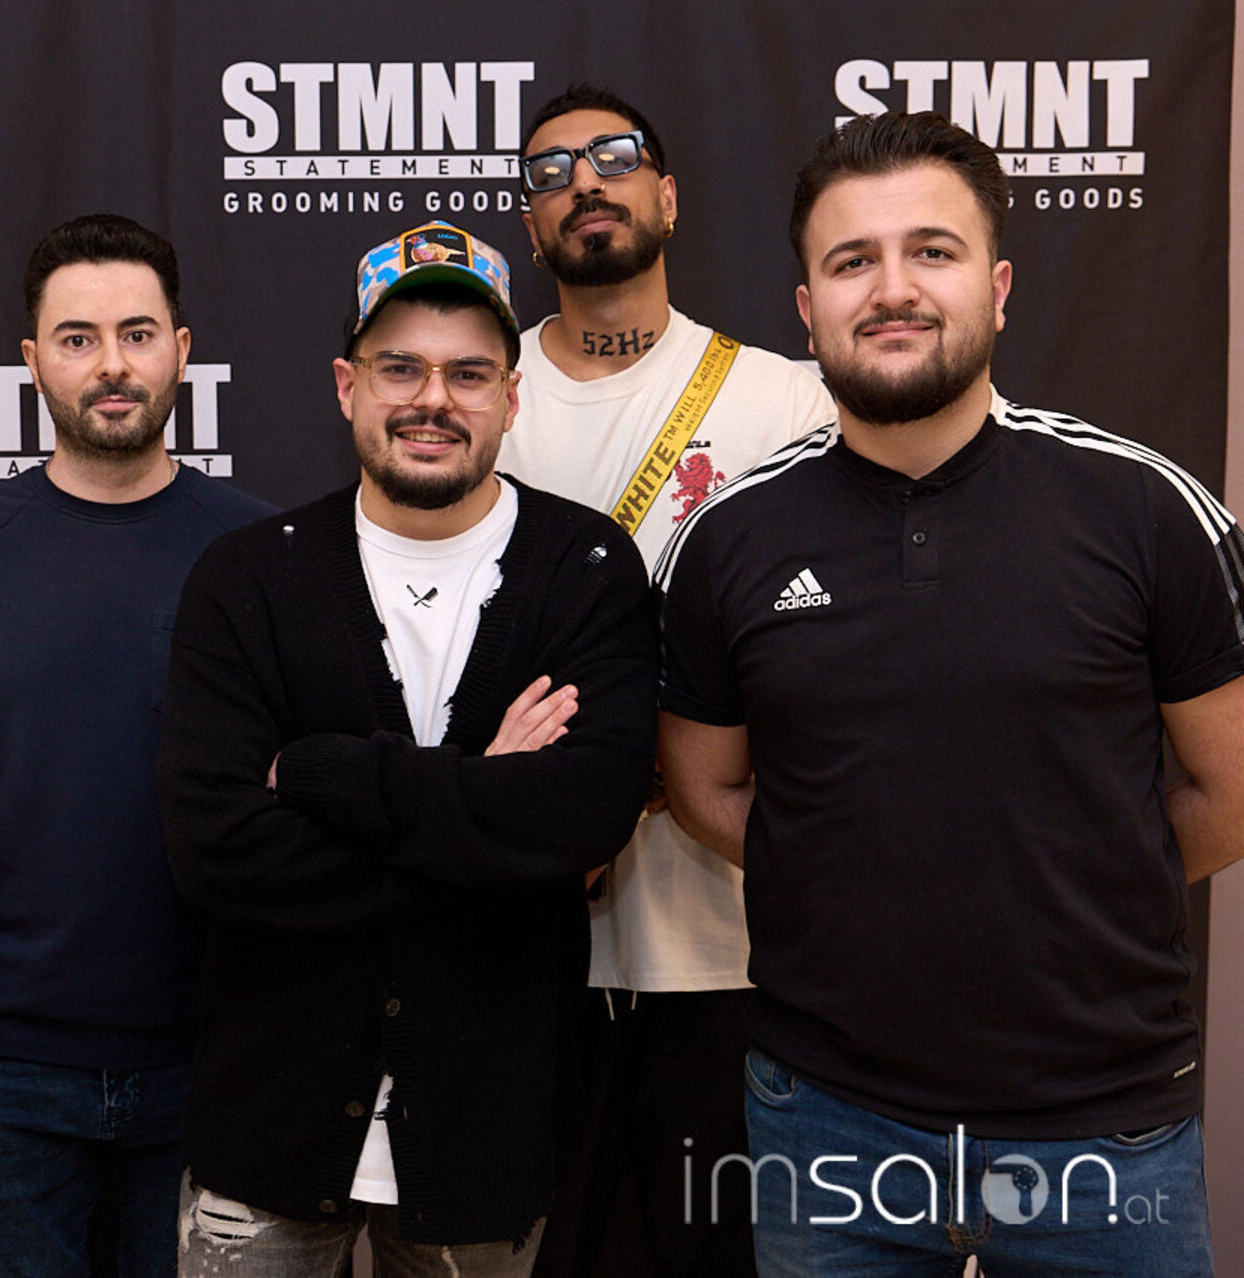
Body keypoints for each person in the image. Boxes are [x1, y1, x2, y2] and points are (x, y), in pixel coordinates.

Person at [657, 111, 1243, 1276]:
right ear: (807, 308)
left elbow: (1231, 788)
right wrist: (851, 872)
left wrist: (1081, 876)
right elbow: (701, 789)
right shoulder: (726, 540)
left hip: (1106, 1122)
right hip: (828, 1118)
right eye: (852, 261)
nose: (894, 289)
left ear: (999, 287)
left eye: (933, 250)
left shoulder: (1146, 510)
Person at [158, 220, 658, 1272]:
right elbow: (216, 850)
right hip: (269, 1124)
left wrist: (325, 774)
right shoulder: (248, 579)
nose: (433, 399)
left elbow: (582, 821)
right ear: (348, 385)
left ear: (511, 399)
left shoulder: (586, 569)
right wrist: (485, 809)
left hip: (486, 1137)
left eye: (468, 374)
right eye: (400, 368)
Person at [499, 84, 832, 1277]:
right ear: (531, 225)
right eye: (551, 172)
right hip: (526, 951)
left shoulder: (786, 399)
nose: (584, 182)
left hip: (735, 953)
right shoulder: (472, 399)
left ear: (669, 195)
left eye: (614, 157)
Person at [0, 214, 270, 1277]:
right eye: (78, 338)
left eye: (137, 334)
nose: (111, 365)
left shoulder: (262, 555)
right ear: (32, 361)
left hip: (216, 1049)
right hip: (4, 1062)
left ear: (181, 350)